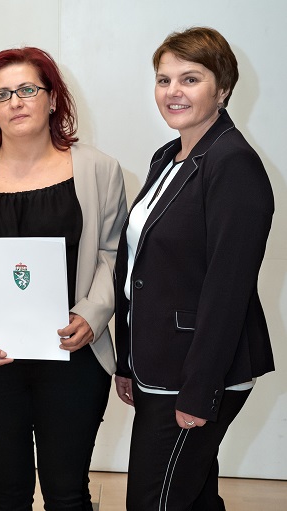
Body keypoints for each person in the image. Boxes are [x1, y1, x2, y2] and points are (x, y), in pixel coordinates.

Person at [0, 47, 127, 511]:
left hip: (74, 353)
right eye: (1, 95)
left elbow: (114, 253)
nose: (15, 101)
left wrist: (92, 315)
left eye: (27, 90)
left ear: (53, 98)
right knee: (5, 493)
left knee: (68, 493)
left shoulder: (99, 169)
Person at [113, 27, 275, 510]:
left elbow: (228, 290)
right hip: (159, 363)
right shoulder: (171, 156)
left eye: (190, 79)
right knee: (194, 495)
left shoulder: (233, 163)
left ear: (222, 89)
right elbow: (142, 268)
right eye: (164, 80)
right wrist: (127, 361)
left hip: (195, 373)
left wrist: (200, 391)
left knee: (154, 502)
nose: (173, 92)